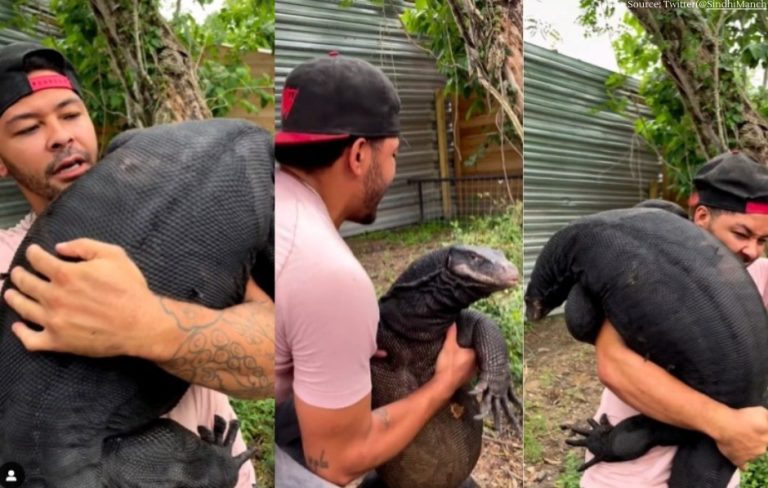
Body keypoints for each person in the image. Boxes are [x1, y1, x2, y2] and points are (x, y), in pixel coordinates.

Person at [0, 42, 273, 486]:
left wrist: (145, 325)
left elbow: (275, 361)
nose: (60, 136)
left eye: (70, 114)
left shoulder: (184, 214)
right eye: (28, 127)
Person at [274, 54, 477, 486]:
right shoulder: (328, 271)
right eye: (395, 154)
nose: (393, 169)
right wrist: (445, 384)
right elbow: (339, 462)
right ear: (360, 155)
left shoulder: (276, 203)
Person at [580, 151, 768, 488]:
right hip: (629, 473)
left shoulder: (761, 274)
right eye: (741, 234)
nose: (752, 251)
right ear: (701, 216)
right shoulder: (646, 269)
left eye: (763, 241)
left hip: (713, 470)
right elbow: (615, 364)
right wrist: (728, 427)